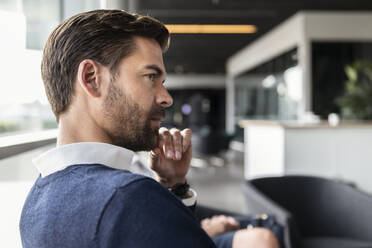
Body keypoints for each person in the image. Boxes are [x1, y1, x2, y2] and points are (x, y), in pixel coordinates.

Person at [19, 9, 279, 248]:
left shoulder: (34, 205)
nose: (167, 97)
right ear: (91, 79)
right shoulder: (127, 197)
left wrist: (173, 185)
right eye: (151, 77)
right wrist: (202, 233)